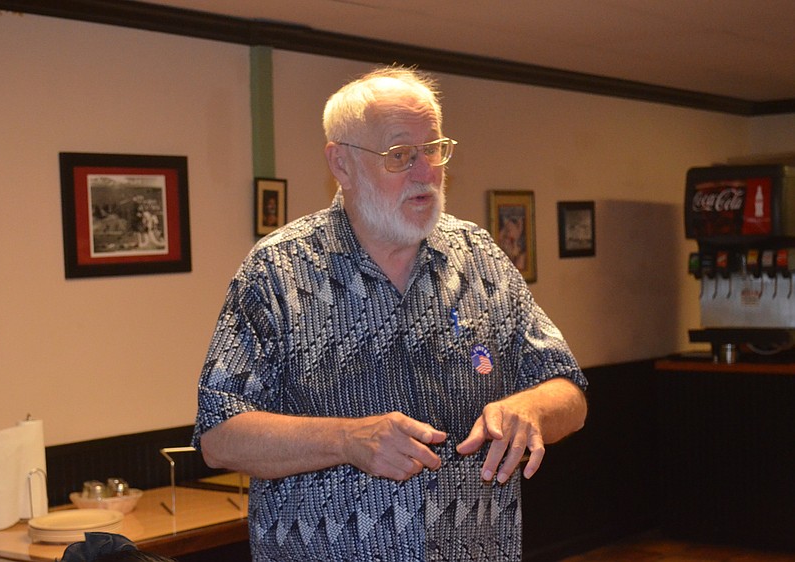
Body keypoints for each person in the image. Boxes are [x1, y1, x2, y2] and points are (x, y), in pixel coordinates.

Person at [193, 66, 588, 561]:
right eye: (400, 155)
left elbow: (568, 390)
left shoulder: (480, 258)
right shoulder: (279, 272)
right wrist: (346, 439)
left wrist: (531, 411)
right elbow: (219, 436)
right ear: (341, 164)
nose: (425, 172)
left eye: (434, 150)